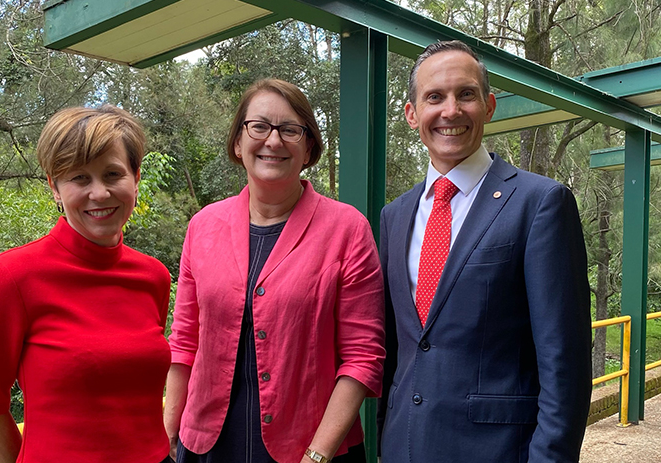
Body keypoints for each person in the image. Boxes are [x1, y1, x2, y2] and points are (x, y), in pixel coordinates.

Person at [378, 41, 592, 462]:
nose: (451, 110)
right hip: (403, 446)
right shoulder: (394, 215)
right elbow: (399, 351)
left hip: (497, 451)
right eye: (434, 97)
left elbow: (563, 364)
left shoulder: (540, 203)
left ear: (489, 105)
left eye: (466, 94)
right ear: (411, 114)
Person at [164, 79, 385, 463]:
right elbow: (184, 343)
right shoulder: (203, 226)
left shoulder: (347, 229)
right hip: (207, 446)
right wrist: (165, 434)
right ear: (238, 142)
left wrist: (317, 455)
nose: (273, 140)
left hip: (313, 448)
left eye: (290, 129)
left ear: (309, 147)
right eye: (259, 126)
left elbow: (362, 357)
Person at [0, 105, 173, 463]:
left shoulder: (153, 277)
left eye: (112, 174)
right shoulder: (11, 276)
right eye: (79, 178)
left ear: (135, 178)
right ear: (54, 187)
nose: (100, 193)